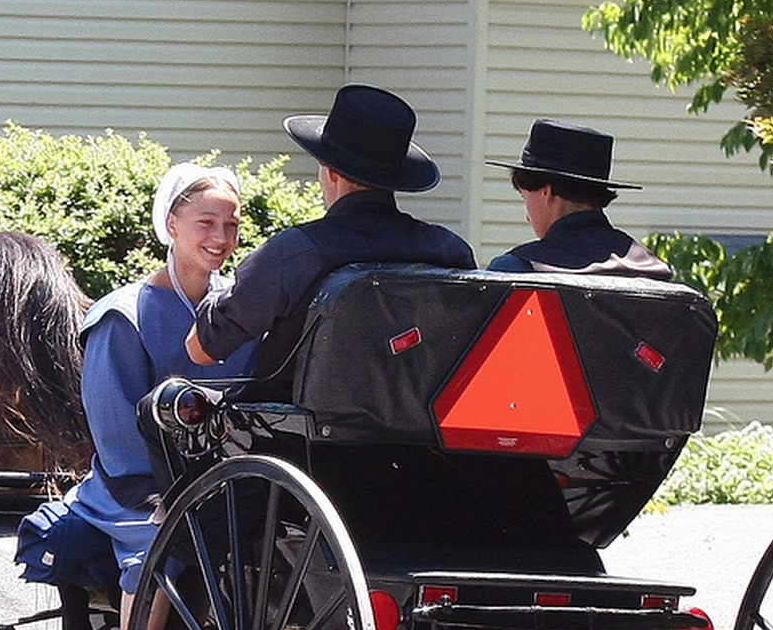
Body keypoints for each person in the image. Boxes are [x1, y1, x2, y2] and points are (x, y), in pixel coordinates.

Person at [18, 161, 253, 630]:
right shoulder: (122, 318)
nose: (221, 237)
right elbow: (118, 440)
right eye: (206, 223)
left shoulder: (239, 310)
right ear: (172, 224)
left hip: (227, 476)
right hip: (139, 487)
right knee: (162, 543)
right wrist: (174, 491)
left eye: (231, 225)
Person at [186, 83, 475, 398]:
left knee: (155, 413)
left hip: (293, 438)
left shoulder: (297, 253)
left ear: (331, 172)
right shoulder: (450, 252)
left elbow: (201, 349)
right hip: (422, 439)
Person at [486, 118, 672, 279]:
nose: (527, 216)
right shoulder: (654, 271)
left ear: (546, 192)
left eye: (524, 197)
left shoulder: (517, 270)